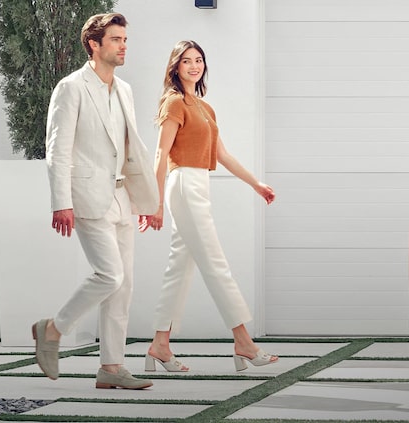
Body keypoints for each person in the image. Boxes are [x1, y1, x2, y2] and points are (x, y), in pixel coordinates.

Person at [35, 12, 158, 390]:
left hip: (122, 197)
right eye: (116, 39)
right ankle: (53, 329)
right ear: (94, 44)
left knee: (124, 287)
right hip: (87, 196)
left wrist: (145, 199)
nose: (124, 46)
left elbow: (129, 148)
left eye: (125, 39)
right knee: (110, 274)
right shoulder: (71, 88)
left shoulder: (124, 90)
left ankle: (111, 367)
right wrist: (61, 201)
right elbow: (58, 150)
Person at [141, 40, 278, 373]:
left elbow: (223, 155)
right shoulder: (174, 103)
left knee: (180, 267)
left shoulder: (204, 108)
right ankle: (243, 342)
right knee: (215, 263)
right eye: (186, 61)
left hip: (199, 184)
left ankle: (160, 345)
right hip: (183, 184)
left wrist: (256, 184)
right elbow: (160, 154)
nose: (193, 66)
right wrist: (154, 202)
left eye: (198, 60)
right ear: (175, 67)